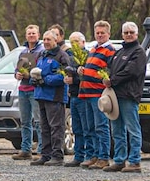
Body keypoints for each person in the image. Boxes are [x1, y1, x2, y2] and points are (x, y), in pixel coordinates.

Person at [102, 22, 147, 172]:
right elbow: (109, 68)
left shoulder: (139, 52)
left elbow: (131, 71)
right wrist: (106, 77)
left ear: (137, 34)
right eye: (126, 32)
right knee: (117, 130)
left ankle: (135, 161)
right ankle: (119, 160)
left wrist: (112, 80)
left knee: (132, 129)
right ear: (122, 34)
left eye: (131, 32)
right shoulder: (118, 53)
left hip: (129, 96)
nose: (129, 35)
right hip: (115, 97)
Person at [78, 20, 115, 170]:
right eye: (97, 33)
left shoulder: (110, 50)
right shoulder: (93, 49)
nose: (99, 35)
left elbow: (110, 72)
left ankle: (103, 156)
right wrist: (82, 70)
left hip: (98, 94)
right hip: (86, 92)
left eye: (102, 33)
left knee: (101, 126)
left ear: (108, 34)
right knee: (88, 127)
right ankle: (92, 155)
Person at [31, 31, 71, 166]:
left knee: (56, 127)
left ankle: (57, 156)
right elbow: (37, 71)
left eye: (49, 39)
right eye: (44, 39)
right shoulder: (42, 54)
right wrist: (34, 80)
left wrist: (45, 80)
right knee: (44, 127)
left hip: (55, 97)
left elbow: (64, 76)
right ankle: (46, 154)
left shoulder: (62, 56)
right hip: (41, 95)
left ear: (56, 40)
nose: (46, 42)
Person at [11, 24, 44, 160]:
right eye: (29, 33)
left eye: (33, 33)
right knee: (25, 121)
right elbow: (17, 69)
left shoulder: (41, 51)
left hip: (34, 89)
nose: (31, 35)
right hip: (23, 89)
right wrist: (17, 75)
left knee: (38, 121)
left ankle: (42, 149)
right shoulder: (22, 51)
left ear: (38, 35)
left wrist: (29, 76)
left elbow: (41, 71)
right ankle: (26, 149)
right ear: (26, 35)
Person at [64, 31, 88, 166]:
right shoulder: (70, 57)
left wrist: (74, 79)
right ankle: (78, 156)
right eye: (72, 42)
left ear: (83, 43)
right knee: (76, 128)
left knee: (87, 127)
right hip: (73, 96)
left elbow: (88, 74)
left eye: (77, 42)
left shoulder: (87, 56)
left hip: (84, 96)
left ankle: (89, 155)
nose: (74, 45)